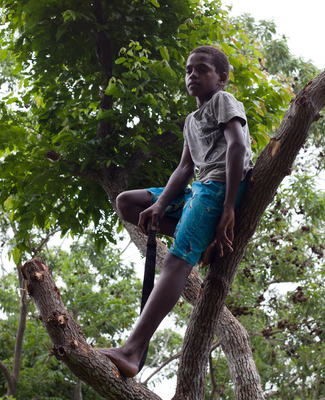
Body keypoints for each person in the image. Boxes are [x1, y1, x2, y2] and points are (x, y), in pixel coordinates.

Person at [98, 45, 254, 378]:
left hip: (217, 188)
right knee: (128, 203)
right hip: (197, 188)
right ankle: (199, 239)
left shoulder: (223, 102)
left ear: (221, 78)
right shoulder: (191, 120)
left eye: (202, 69)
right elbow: (183, 169)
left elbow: (238, 146)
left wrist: (228, 207)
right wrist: (159, 204)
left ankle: (131, 350)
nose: (193, 75)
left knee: (175, 262)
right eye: (188, 70)